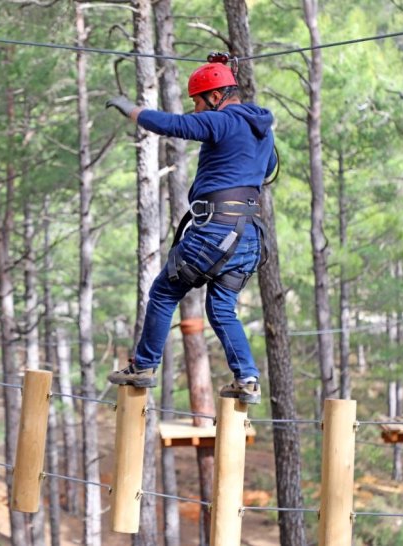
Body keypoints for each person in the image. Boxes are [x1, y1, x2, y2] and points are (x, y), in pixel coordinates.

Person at [105, 55, 277, 404]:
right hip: (249, 237)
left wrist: (133, 111)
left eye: (198, 101)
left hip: (216, 230)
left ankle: (143, 365)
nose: (197, 110)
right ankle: (247, 378)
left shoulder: (222, 121)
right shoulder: (262, 131)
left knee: (164, 292)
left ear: (215, 96)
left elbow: (175, 126)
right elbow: (269, 166)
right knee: (222, 308)